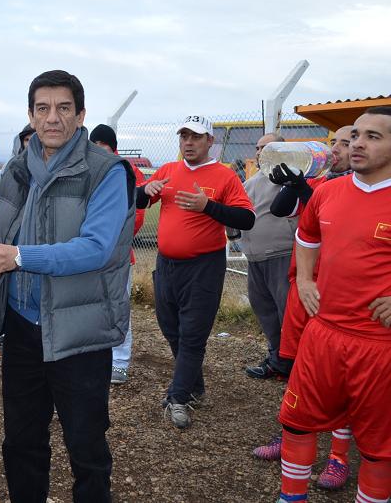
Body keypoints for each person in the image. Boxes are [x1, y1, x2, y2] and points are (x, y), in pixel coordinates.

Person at [0, 70, 135, 503]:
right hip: (22, 329)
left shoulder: (106, 172)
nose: (52, 118)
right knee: (21, 442)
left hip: (78, 333)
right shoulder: (15, 170)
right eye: (43, 108)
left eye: (63, 108)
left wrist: (20, 256)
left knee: (86, 447)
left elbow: (96, 249)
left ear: (80, 114)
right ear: (30, 114)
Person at [276, 108, 391, 503]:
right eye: (356, 134)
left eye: (373, 137)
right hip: (323, 333)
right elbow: (307, 236)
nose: (358, 143)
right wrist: (306, 279)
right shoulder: (327, 191)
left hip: (379, 345)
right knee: (296, 423)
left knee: (379, 447)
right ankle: (291, 498)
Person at [252, 125, 356, 489]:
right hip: (304, 288)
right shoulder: (323, 181)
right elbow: (283, 210)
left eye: (350, 141)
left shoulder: (363, 192)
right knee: (298, 367)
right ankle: (292, 434)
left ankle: (338, 457)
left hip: (339, 296)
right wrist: (294, 185)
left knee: (341, 379)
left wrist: (304, 192)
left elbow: (338, 227)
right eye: (338, 142)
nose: (343, 148)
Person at [136, 115, 255, 429]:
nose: (188, 142)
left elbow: (246, 219)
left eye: (196, 137)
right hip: (167, 264)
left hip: (204, 266)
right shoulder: (168, 170)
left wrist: (208, 206)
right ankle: (193, 385)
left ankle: (178, 397)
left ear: (209, 142)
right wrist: (145, 190)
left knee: (193, 334)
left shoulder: (224, 176)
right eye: (184, 136)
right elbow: (135, 200)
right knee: (170, 328)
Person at [89, 122, 146, 385]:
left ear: (114, 149)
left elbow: (137, 215)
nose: (100, 152)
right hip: (88, 256)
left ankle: (120, 361)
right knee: (91, 307)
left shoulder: (126, 171)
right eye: (96, 147)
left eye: (105, 147)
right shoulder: (86, 170)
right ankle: (96, 356)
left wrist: (109, 238)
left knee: (118, 307)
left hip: (120, 256)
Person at [240, 133, 296, 380]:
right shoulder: (251, 182)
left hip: (282, 255)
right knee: (264, 310)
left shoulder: (292, 178)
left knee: (287, 312)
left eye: (267, 147)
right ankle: (277, 359)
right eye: (258, 147)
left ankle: (295, 364)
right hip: (254, 258)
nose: (260, 152)